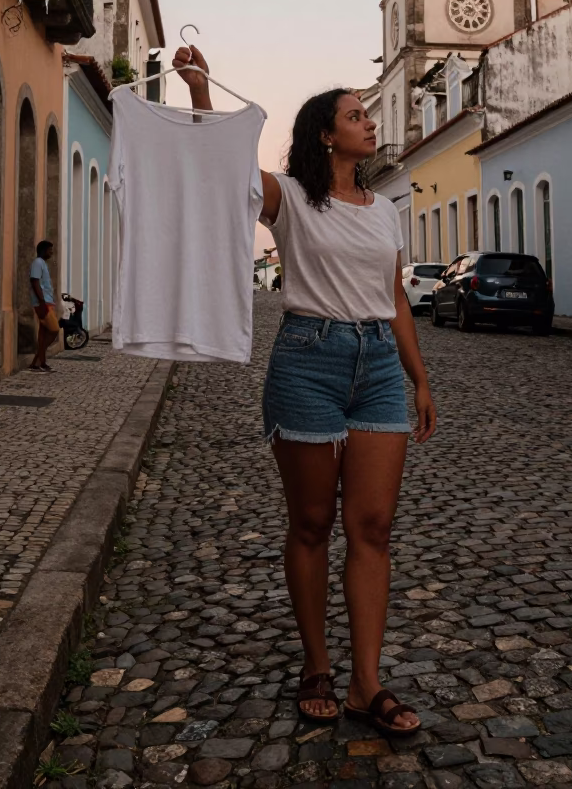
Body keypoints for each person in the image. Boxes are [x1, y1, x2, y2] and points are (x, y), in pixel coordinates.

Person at [173, 43, 436, 737]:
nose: (369, 123)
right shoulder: (288, 198)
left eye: (366, 115)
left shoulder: (384, 209)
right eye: (356, 115)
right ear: (327, 134)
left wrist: (419, 376)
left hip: (377, 365)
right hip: (307, 361)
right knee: (313, 525)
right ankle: (317, 665)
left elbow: (396, 298)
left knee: (372, 528)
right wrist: (202, 95)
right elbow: (222, 171)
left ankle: (366, 684)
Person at [29, 241, 59, 371]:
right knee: (54, 330)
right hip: (43, 303)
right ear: (43, 250)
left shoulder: (42, 263)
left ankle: (38, 363)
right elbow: (34, 281)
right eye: (49, 250)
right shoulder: (37, 263)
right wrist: (41, 302)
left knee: (43, 333)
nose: (51, 252)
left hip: (46, 302)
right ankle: (40, 358)